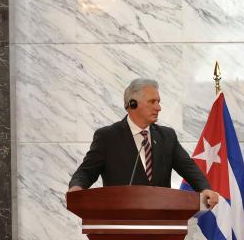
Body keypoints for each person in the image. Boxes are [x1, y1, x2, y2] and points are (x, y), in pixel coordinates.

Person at [68, 78, 219, 209]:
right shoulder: (107, 137)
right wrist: (76, 187)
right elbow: (86, 172)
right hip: (119, 221)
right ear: (132, 104)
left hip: (162, 221)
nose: (158, 107)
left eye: (158, 102)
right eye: (152, 102)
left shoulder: (167, 136)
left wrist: (204, 188)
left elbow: (189, 168)